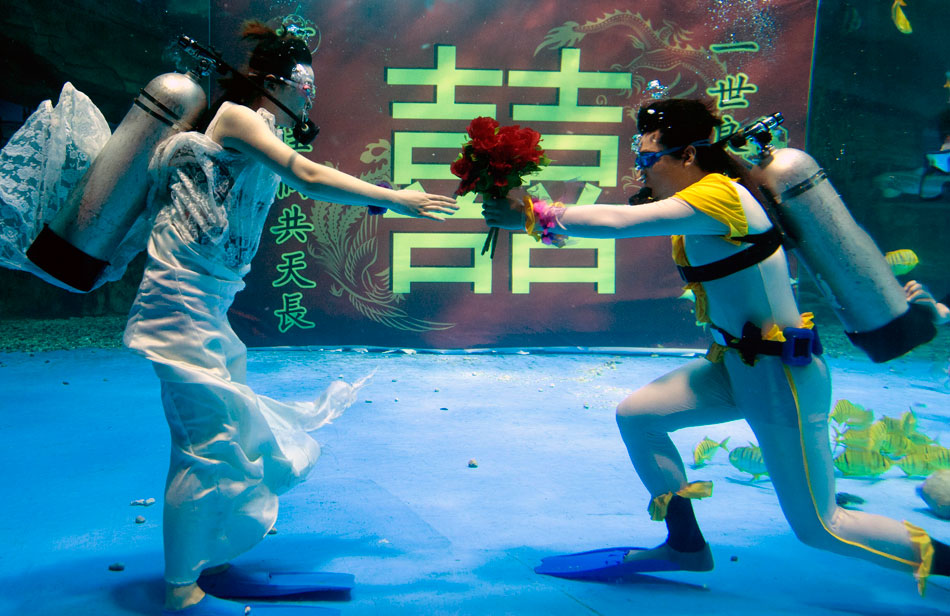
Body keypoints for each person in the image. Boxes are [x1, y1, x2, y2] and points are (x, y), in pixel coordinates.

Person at [1, 21, 457, 616]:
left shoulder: (255, 126)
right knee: (203, 444)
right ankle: (180, 588)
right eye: (304, 86)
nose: (309, 99)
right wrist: (397, 197)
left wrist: (379, 199)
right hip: (179, 303)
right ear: (273, 82)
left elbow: (297, 175)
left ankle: (208, 556)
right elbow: (308, 175)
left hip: (206, 304)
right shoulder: (240, 119)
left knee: (228, 436)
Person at [483, 98, 950, 594]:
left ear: (687, 156)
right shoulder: (703, 198)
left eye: (647, 159)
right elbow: (622, 215)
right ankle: (685, 544)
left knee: (822, 527)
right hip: (736, 367)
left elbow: (618, 223)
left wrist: (531, 216)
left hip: (781, 380)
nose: (641, 169)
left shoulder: (719, 197)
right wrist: (526, 207)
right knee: (639, 417)